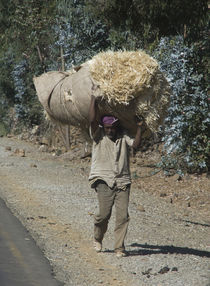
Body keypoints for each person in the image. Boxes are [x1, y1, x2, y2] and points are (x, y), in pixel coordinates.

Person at [88, 94, 143, 258]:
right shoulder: (98, 136)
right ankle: (97, 238)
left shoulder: (123, 135)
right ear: (103, 128)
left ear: (117, 127)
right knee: (104, 215)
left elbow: (135, 144)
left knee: (123, 216)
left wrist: (140, 127)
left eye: (112, 128)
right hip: (103, 180)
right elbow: (91, 120)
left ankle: (119, 247)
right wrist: (93, 99)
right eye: (107, 128)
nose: (110, 131)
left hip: (123, 181)